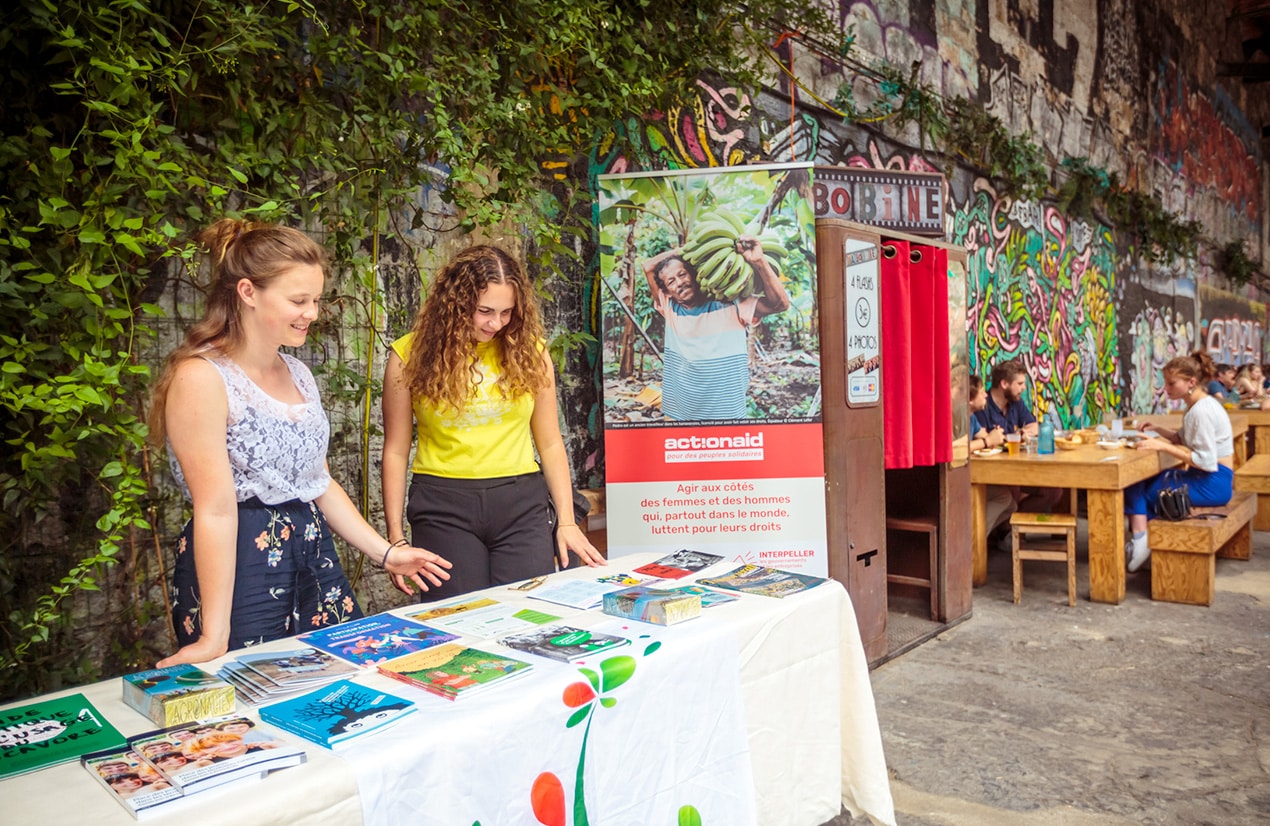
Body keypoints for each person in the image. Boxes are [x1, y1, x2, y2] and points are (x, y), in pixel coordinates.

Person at [149, 219, 452, 667]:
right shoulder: (200, 377)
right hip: (240, 561)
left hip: (312, 551)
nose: (312, 312)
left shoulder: (298, 374)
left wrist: (385, 552)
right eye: (298, 300)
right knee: (248, 693)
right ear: (248, 292)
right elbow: (214, 508)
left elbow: (318, 482)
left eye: (315, 300)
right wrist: (215, 632)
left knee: (339, 685)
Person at [382, 245, 605, 601]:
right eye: (484, 311)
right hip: (443, 506)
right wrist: (395, 539)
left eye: (506, 312)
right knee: (458, 619)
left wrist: (566, 521)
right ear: (455, 303)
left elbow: (549, 442)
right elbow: (394, 449)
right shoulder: (407, 356)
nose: (495, 323)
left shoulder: (531, 351)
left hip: (521, 503)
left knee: (529, 615)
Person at [640, 236, 790, 421]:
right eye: (671, 282)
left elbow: (780, 305)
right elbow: (648, 266)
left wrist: (759, 261)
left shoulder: (732, 302)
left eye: (682, 274)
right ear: (667, 291)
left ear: (694, 274)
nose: (679, 283)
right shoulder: (669, 308)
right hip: (680, 413)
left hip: (727, 413)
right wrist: (696, 248)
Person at [1127, 351, 1234, 572]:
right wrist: (1158, 430)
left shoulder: (1201, 412)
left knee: (1141, 490)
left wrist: (1162, 446)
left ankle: (1140, 542)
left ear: (1191, 382)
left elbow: (1206, 461)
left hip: (1213, 483)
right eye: (1166, 383)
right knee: (1143, 482)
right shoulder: (1198, 404)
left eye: (1171, 383)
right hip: (1210, 478)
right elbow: (1181, 439)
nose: (1167, 389)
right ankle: (1143, 539)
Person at [978, 359, 1062, 513]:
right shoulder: (983, 404)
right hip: (993, 469)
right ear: (1004, 384)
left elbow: (1034, 426)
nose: (1024, 388)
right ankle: (1009, 529)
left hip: (1018, 465)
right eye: (1020, 383)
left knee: (1054, 491)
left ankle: (1013, 523)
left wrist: (1023, 433)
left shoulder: (1015, 402)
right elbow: (983, 438)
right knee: (1013, 488)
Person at [968, 375, 1015, 535]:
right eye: (981, 392)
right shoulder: (957, 419)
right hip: (957, 479)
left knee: (1012, 506)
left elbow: (983, 435)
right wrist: (987, 441)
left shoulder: (971, 418)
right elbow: (958, 448)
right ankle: (974, 540)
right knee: (1003, 497)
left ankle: (980, 538)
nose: (986, 395)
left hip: (970, 472)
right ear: (970, 400)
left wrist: (997, 437)